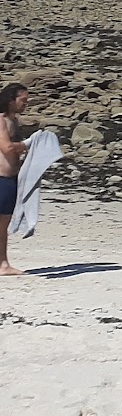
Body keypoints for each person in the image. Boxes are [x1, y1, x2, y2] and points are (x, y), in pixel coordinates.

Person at [0, 83, 30, 276]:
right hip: (1, 178)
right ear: (11, 100)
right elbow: (7, 148)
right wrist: (27, 144)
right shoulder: (1, 121)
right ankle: (2, 264)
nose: (25, 104)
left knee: (4, 226)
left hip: (11, 179)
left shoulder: (14, 120)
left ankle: (3, 263)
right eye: (23, 100)